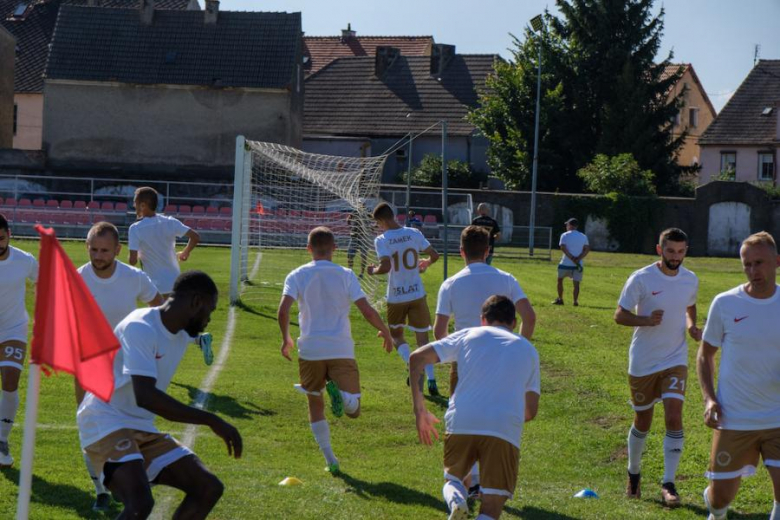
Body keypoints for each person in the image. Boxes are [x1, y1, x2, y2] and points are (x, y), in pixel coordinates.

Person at [77, 271, 242, 520]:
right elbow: (145, 395)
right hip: (105, 420)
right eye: (210, 309)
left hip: (141, 426)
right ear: (196, 301)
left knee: (208, 488)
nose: (209, 318)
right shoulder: (140, 327)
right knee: (139, 503)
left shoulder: (182, 331)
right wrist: (212, 420)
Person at [411, 295, 540, 520]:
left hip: (463, 419)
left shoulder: (469, 334)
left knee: (453, 480)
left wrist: (420, 411)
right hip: (503, 426)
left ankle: (457, 501)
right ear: (513, 322)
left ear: (483, 320)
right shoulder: (528, 350)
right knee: (491, 505)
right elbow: (530, 411)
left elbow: (416, 358)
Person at [278, 227, 393, 473]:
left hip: (310, 350)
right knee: (354, 411)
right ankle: (345, 398)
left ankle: (330, 460)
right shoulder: (346, 274)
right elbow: (367, 309)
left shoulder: (297, 274)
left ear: (308, 249)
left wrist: (286, 338)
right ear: (335, 249)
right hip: (341, 348)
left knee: (315, 403)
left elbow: (283, 310)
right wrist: (385, 330)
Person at [434, 225, 536, 498]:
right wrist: (518, 347)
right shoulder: (505, 278)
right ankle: (479, 483)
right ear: (488, 251)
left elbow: (439, 330)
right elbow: (529, 316)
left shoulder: (451, 283)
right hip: (506, 356)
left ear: (461, 252)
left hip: (466, 356)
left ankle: (467, 481)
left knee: (465, 417)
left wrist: (451, 354)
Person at [77, 221, 164, 511]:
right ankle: (100, 488)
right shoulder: (77, 279)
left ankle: (123, 481)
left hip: (127, 364)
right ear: (86, 247)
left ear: (118, 249)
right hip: (88, 361)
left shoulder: (134, 277)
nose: (98, 256)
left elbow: (158, 307)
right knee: (91, 426)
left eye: (104, 250)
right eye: (93, 249)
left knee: (127, 425)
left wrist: (152, 341)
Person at [697, 232, 780, 520]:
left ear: (777, 262)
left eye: (760, 263)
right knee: (721, 500)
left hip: (778, 417)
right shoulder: (725, 303)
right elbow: (705, 355)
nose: (753, 271)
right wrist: (709, 399)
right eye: (747, 264)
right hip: (735, 417)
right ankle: (715, 505)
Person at [614, 228, 700, 506]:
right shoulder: (641, 278)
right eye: (671, 251)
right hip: (643, 361)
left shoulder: (690, 279)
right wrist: (646, 320)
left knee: (674, 416)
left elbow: (690, 306)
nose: (676, 257)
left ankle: (669, 483)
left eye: (681, 251)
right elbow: (620, 315)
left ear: (686, 251)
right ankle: (634, 474)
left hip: (675, 360)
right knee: (643, 421)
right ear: (659, 250)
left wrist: (692, 327)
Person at [128, 187, 213, 365]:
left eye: (135, 201)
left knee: (160, 322)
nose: (133, 204)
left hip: (155, 284)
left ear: (143, 205)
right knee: (163, 321)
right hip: (176, 280)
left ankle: (196, 340)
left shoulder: (135, 229)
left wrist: (136, 255)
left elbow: (133, 261)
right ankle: (159, 353)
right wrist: (186, 252)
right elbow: (195, 236)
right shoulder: (169, 222)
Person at [367, 202, 441, 395]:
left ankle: (412, 365)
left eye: (378, 223)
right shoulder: (413, 233)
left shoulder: (382, 239)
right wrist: (426, 263)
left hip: (397, 296)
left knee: (397, 336)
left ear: (382, 220)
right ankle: (432, 381)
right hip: (417, 293)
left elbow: (385, 267)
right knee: (423, 339)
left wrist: (372, 270)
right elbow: (434, 255)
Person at [0, 213, 38, 468]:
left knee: (10, 379)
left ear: (9, 235)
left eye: (0, 239)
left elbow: (44, 284)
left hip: (13, 329)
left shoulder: (25, 260)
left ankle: (1, 440)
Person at [553, 218, 590, 306]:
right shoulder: (583, 236)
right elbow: (587, 249)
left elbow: (562, 247)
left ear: (570, 225)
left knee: (560, 280)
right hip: (578, 264)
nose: (566, 226)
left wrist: (571, 257)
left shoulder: (564, 235)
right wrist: (578, 258)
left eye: (567, 225)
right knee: (576, 283)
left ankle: (560, 299)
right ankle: (575, 301)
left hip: (565, 263)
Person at [346, 208, 370, 278]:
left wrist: (371, 226)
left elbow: (373, 218)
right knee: (350, 255)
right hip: (354, 236)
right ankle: (350, 271)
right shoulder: (355, 211)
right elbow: (348, 219)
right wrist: (351, 228)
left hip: (363, 237)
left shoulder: (368, 211)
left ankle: (362, 273)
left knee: (363, 256)